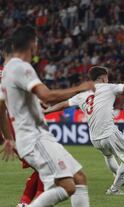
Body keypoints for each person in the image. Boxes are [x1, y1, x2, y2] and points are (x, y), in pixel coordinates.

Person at [1, 25, 94, 207]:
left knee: (79, 179)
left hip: (36, 137)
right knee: (67, 187)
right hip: (35, 138)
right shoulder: (22, 67)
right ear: (33, 44)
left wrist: (8, 138)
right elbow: (47, 95)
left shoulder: (7, 71)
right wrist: (80, 88)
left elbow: (1, 105)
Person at [44, 66, 124, 195]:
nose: (108, 79)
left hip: (94, 138)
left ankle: (118, 179)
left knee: (108, 155)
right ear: (102, 78)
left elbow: (63, 104)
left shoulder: (82, 95)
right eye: (107, 76)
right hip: (108, 132)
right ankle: (114, 189)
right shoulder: (108, 87)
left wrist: (47, 111)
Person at [0, 38, 44, 207]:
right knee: (45, 167)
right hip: (16, 127)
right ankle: (32, 203)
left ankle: (24, 203)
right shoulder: (16, 72)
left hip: (8, 127)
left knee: (41, 167)